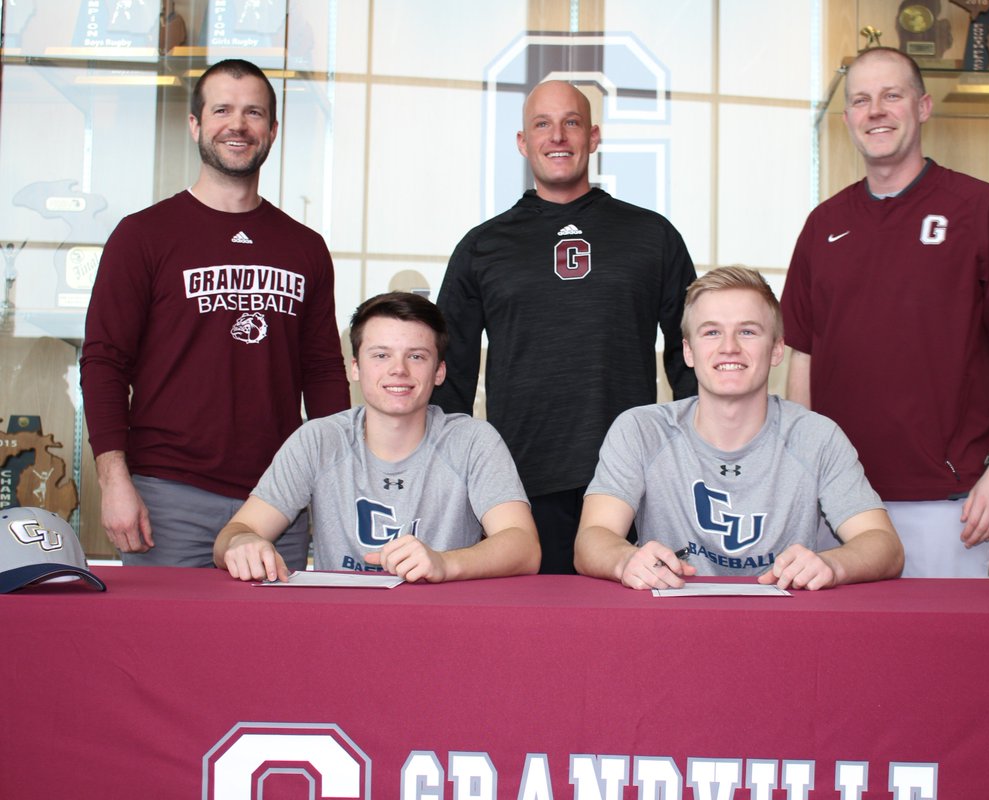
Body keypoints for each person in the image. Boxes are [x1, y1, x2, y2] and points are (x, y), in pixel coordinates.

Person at [781, 47, 989, 578]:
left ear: (924, 106)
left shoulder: (980, 208)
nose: (876, 111)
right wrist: (806, 474)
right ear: (848, 120)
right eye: (861, 100)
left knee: (940, 660)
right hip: (839, 502)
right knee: (841, 660)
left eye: (892, 95)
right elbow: (803, 356)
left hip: (947, 504)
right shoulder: (823, 224)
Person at [80, 59, 350, 569]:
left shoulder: (305, 247)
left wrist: (332, 484)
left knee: (269, 648)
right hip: (167, 495)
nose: (238, 125)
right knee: (164, 647)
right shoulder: (143, 236)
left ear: (272, 130)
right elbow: (104, 363)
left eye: (253, 112)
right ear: (196, 125)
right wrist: (114, 481)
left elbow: (322, 372)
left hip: (276, 500)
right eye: (222, 109)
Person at [434, 79, 697, 574]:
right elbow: (452, 373)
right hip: (520, 481)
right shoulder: (482, 246)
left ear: (593, 137)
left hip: (632, 478)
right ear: (522, 142)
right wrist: (456, 474)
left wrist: (694, 458)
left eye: (571, 123)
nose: (558, 136)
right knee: (535, 639)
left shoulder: (652, 236)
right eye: (543, 125)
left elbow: (691, 356)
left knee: (630, 636)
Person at [574, 266, 904, 591]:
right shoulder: (641, 430)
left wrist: (832, 565)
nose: (729, 347)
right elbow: (592, 538)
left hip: (788, 626)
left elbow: (884, 546)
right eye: (711, 332)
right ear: (688, 351)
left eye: (747, 331)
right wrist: (624, 560)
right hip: (672, 622)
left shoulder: (817, 437)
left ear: (776, 349)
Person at [214, 292, 540, 583]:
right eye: (381, 355)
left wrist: (444, 563)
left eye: (416, 356)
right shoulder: (319, 439)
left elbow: (524, 547)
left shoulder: (472, 441)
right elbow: (235, 534)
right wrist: (243, 543)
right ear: (355, 367)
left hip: (443, 623)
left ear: (439, 371)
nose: (399, 369)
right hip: (341, 623)